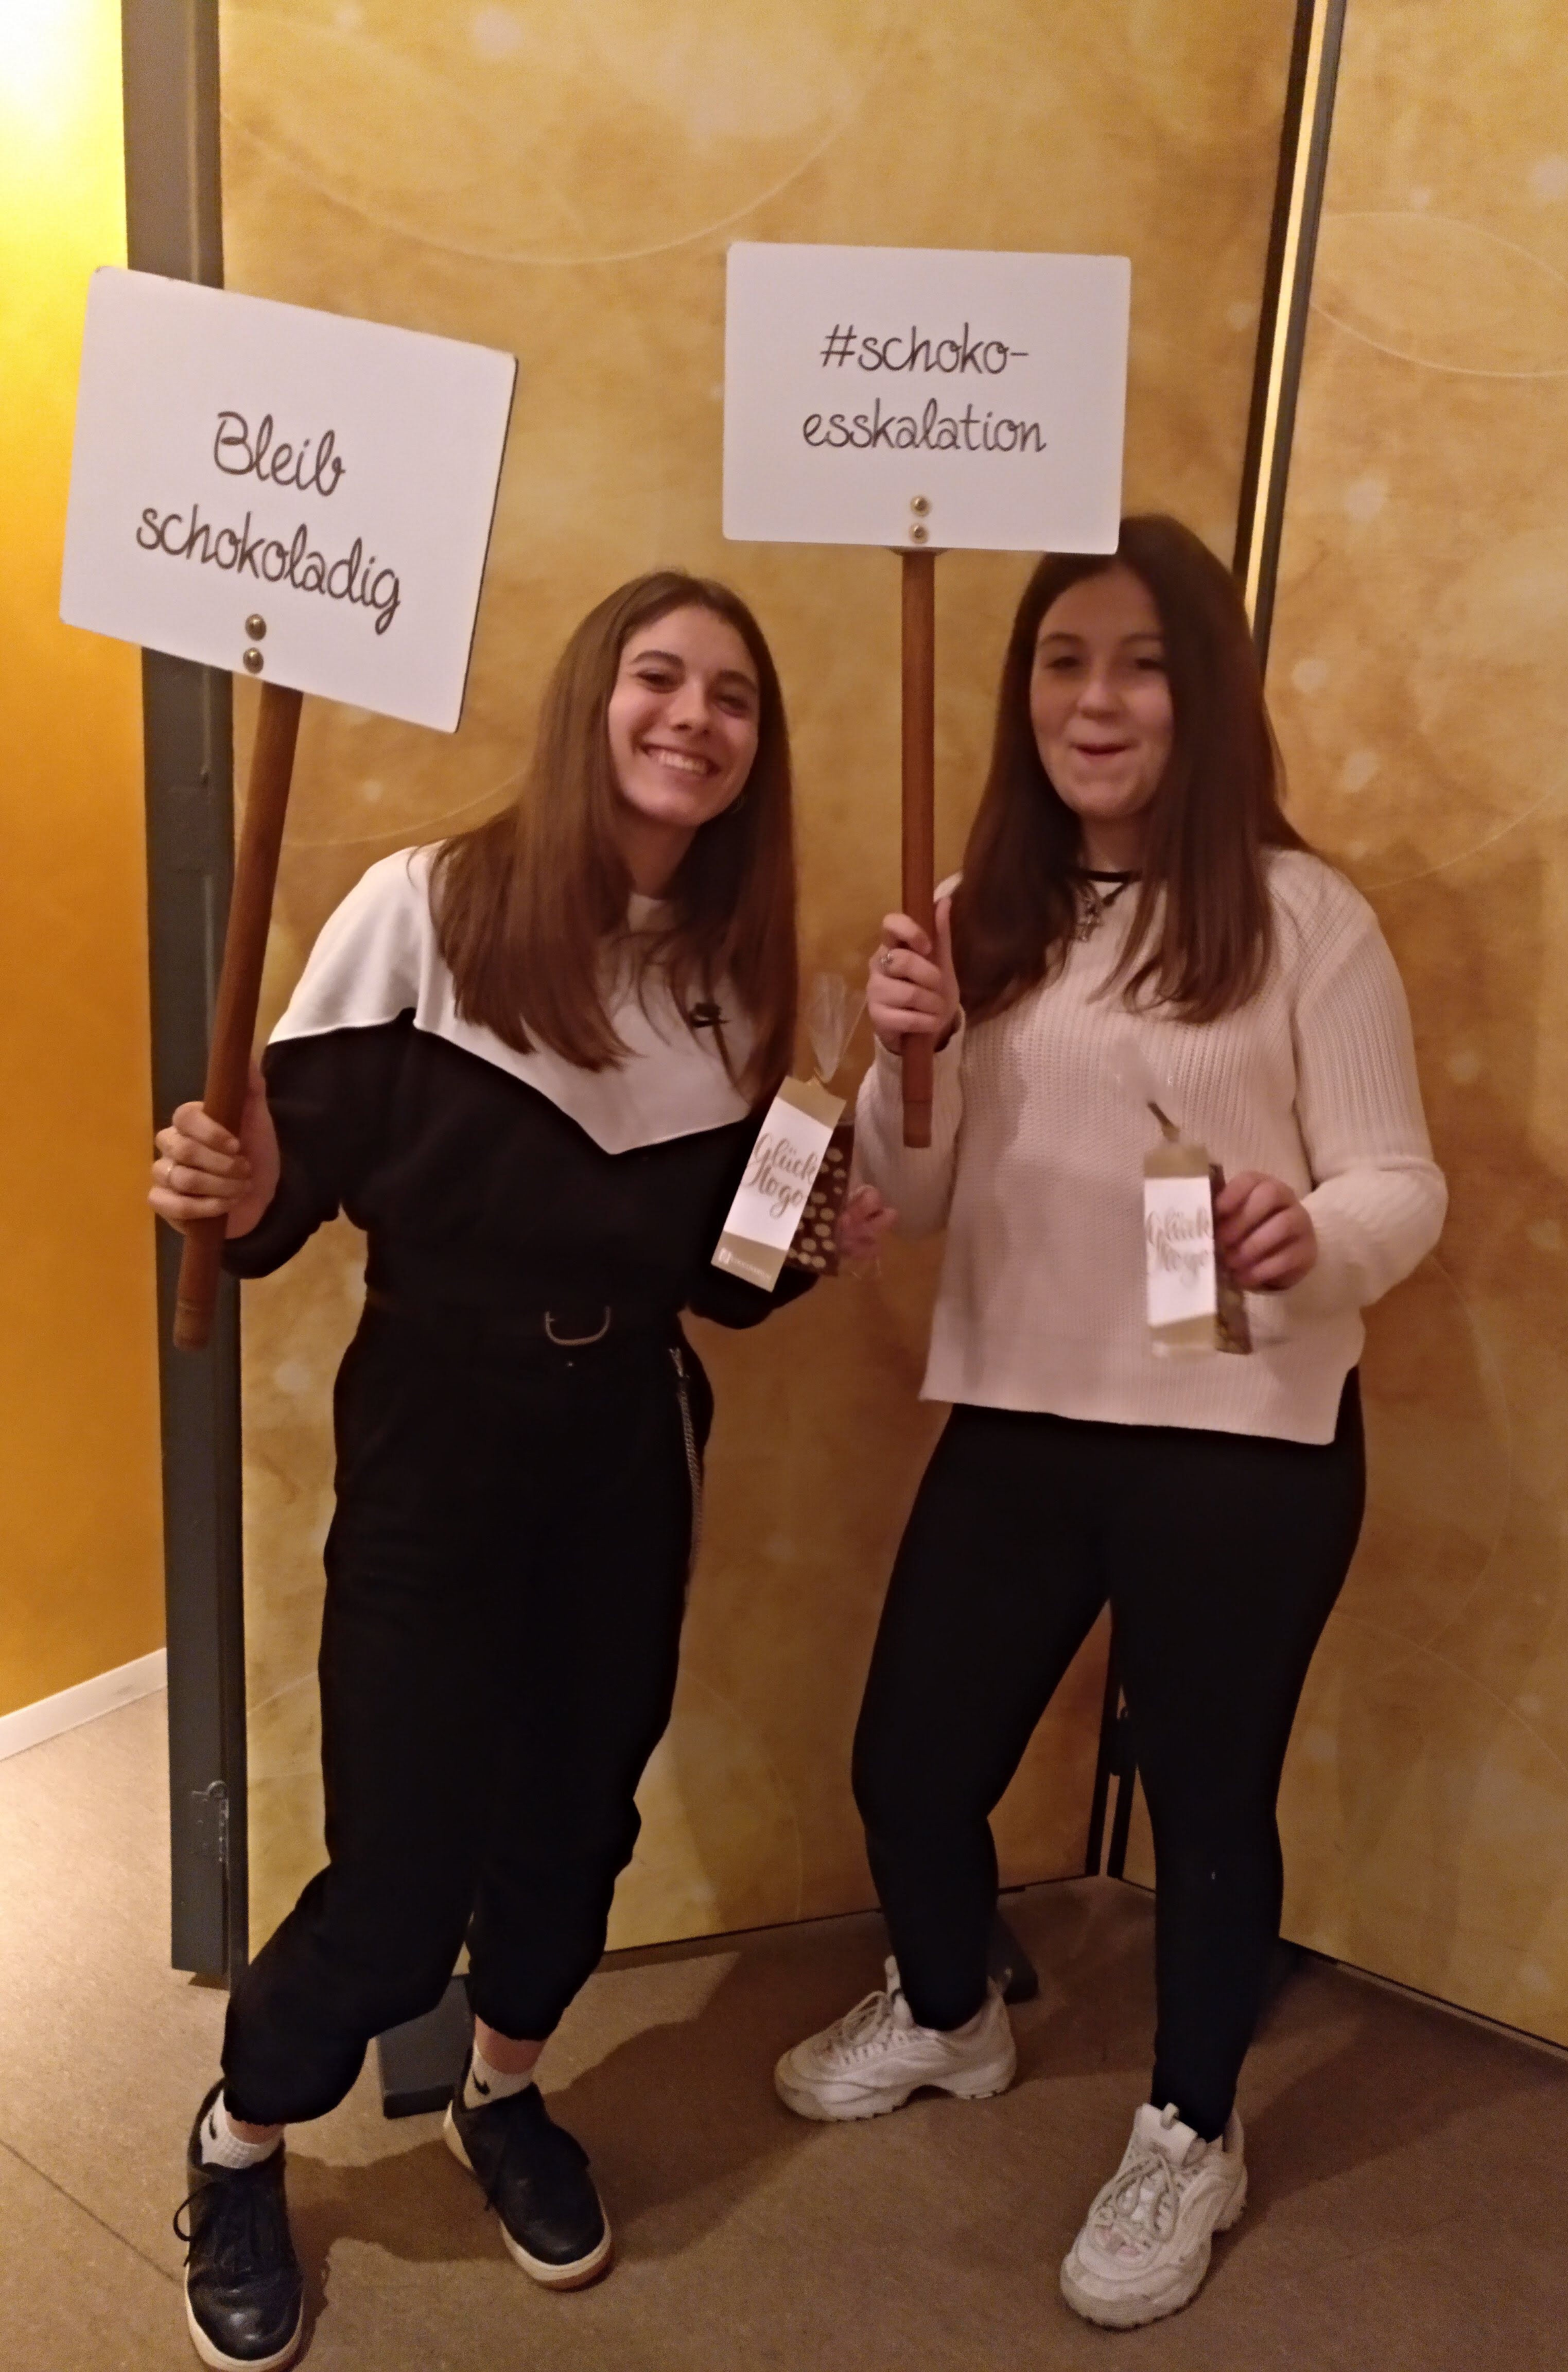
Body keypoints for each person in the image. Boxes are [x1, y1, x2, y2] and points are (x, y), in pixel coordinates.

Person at [152, 571, 889, 2371]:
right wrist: (233, 1186)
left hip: (629, 1442)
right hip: (438, 1429)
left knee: (574, 1824)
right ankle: (239, 2141)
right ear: (593, 702)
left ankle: (502, 2096)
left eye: (732, 696)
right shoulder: (425, 908)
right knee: (400, 1882)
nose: (694, 719)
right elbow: (287, 1192)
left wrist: (814, 1245)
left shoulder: (747, 981)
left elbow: (725, 1287)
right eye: (660, 677)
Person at [774, 516, 1445, 2329]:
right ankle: (949, 2009)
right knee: (909, 1766)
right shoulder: (969, 919)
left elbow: (1401, 1178)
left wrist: (1318, 1237)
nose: (1097, 699)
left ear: (1205, 693)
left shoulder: (1304, 918)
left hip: (1242, 1427)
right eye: (1063, 660)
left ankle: (1190, 2129)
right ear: (1021, 692)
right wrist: (900, 1053)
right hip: (1021, 1409)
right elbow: (912, 1196)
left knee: (1207, 1807)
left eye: (1143, 663)